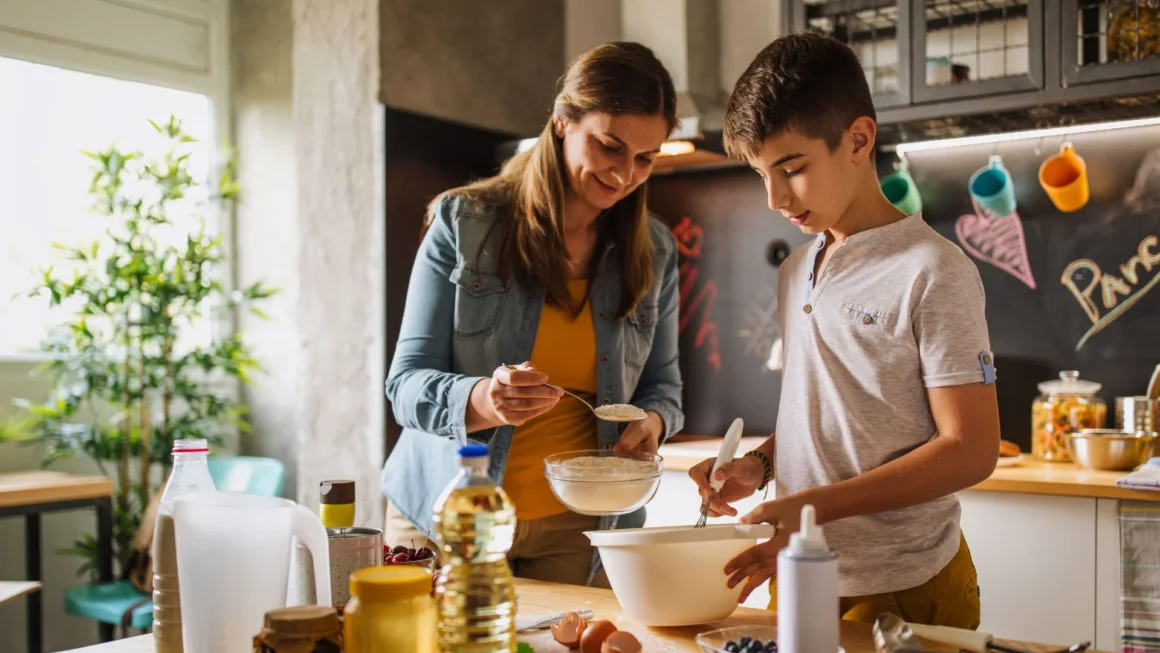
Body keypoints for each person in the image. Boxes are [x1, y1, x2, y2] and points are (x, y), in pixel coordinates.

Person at [690, 32, 1001, 628]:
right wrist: (759, 466)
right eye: (761, 174)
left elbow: (972, 449)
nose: (775, 196)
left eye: (793, 167)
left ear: (858, 139)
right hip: (799, 572)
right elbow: (829, 418)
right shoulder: (794, 270)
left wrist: (808, 509)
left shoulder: (933, 270)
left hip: (904, 587)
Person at [382, 41, 684, 588]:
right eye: (610, 146)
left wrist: (653, 422)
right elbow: (404, 386)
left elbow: (664, 387)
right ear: (563, 121)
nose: (626, 173)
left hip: (581, 527)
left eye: (645, 157)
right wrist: (482, 399)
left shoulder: (655, 249)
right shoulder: (463, 222)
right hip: (449, 516)